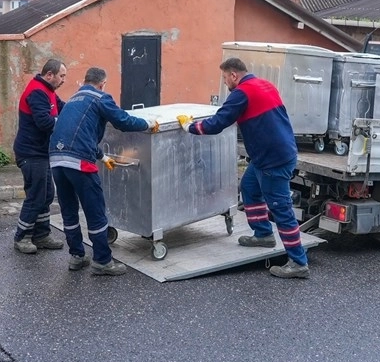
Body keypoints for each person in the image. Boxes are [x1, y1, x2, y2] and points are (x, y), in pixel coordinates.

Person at [176, 57, 309, 279]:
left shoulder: (241, 93)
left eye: (225, 77)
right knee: (249, 187)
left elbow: (217, 123)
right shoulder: (265, 85)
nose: (225, 82)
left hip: (272, 160)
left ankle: (298, 262)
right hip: (274, 153)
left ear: (233, 75)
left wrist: (190, 126)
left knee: (281, 209)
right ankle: (263, 234)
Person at [49, 67, 159, 276]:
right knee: (95, 211)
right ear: (102, 84)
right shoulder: (100, 98)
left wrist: (102, 156)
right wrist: (148, 123)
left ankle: (77, 256)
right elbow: (123, 121)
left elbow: (80, 133)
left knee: (69, 210)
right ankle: (102, 260)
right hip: (80, 161)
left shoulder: (73, 100)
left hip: (56, 159)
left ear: (86, 81)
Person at [12, 58, 67, 254]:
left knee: (47, 194)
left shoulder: (48, 91)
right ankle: (22, 237)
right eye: (62, 76)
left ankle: (41, 235)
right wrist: (65, 123)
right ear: (49, 75)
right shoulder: (37, 92)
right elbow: (44, 122)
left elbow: (63, 108)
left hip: (41, 152)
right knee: (36, 195)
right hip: (31, 152)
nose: (64, 80)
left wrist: (77, 112)